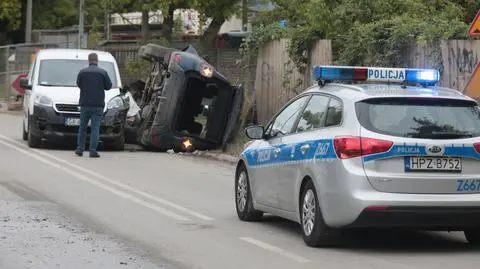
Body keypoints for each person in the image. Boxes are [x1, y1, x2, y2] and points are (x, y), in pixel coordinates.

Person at [75, 53, 113, 158]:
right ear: (97, 60)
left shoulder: (82, 72)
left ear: (88, 60)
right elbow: (108, 86)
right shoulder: (103, 72)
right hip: (98, 105)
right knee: (95, 128)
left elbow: (78, 84)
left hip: (85, 104)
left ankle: (80, 149)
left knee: (82, 127)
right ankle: (93, 151)